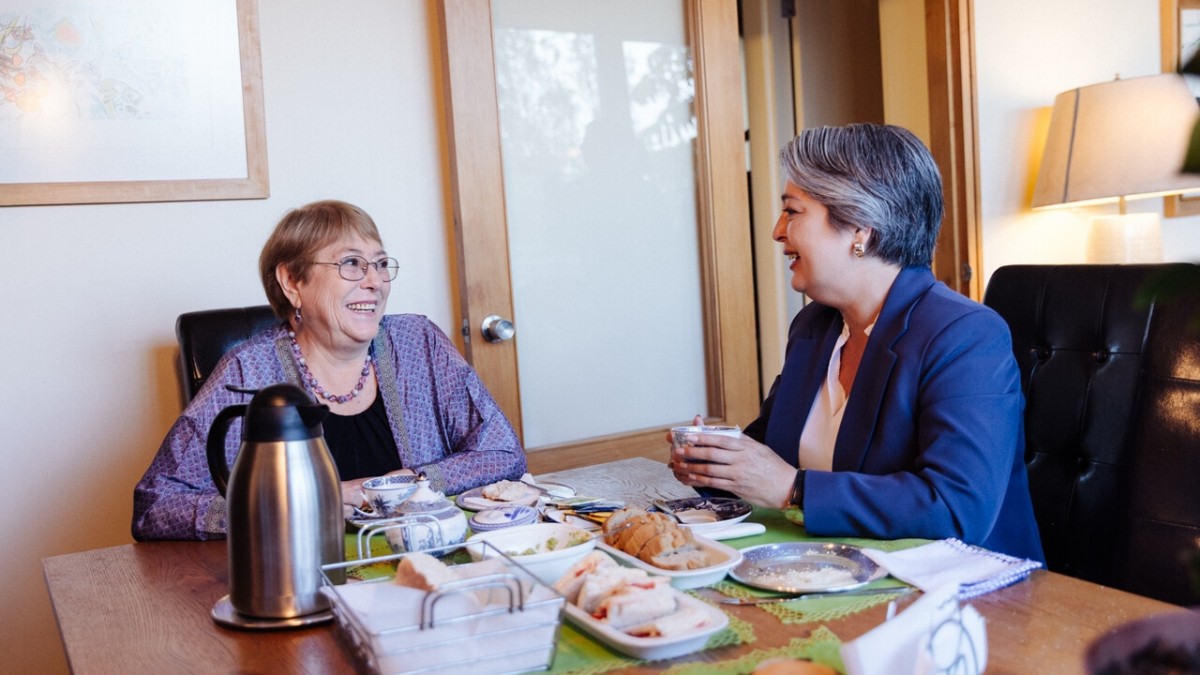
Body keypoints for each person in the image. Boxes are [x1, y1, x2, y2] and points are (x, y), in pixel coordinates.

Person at [670, 124, 1044, 561]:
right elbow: (768, 453)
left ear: (860, 230)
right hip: (835, 568)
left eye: (792, 211)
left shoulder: (966, 335)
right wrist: (711, 461)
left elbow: (957, 507)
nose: (777, 230)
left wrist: (793, 488)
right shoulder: (815, 325)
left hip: (963, 592)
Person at [133, 200, 527, 540]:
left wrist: (404, 484)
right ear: (291, 281)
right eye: (352, 264)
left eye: (380, 263)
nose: (376, 282)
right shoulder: (247, 370)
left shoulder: (418, 342)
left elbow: (503, 452)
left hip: (427, 564)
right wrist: (307, 502)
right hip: (302, 579)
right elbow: (156, 505)